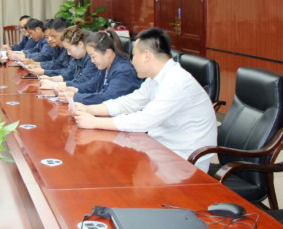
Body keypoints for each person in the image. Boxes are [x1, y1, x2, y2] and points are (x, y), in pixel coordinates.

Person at [71, 27, 217, 172]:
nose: (132, 61)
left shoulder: (176, 82)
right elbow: (130, 102)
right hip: (159, 148)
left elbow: (144, 120)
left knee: (115, 169)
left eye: (134, 55)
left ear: (146, 55)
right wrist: (89, 109)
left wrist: (95, 122)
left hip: (184, 161)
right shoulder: (155, 79)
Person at [57, 29, 141, 105]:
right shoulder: (105, 65)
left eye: (93, 56)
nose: (92, 61)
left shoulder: (124, 71)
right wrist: (75, 90)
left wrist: (75, 97)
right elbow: (92, 85)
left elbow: (108, 98)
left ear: (108, 53)